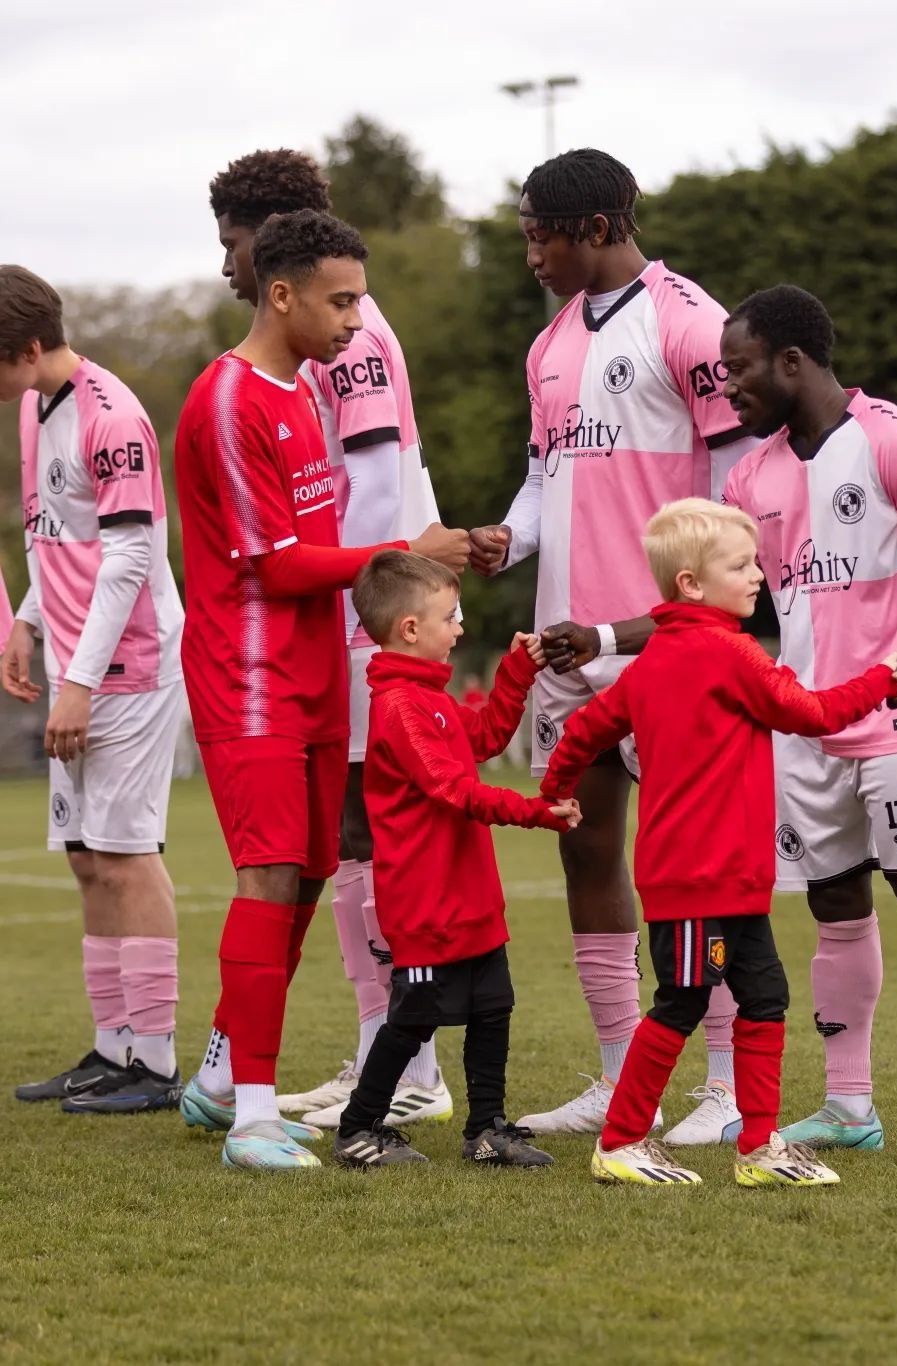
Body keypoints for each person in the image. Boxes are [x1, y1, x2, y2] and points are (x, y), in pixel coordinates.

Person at [468, 149, 758, 1144]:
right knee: (586, 849)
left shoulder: (691, 323)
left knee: (695, 872)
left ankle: (723, 1086)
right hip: (567, 646)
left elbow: (736, 485)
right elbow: (547, 476)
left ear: (594, 228)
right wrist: (512, 535)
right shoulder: (548, 345)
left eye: (539, 234)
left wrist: (707, 616)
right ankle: (611, 1070)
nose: (532, 253)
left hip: (665, 644)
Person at [173, 210, 469, 1170]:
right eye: (341, 301)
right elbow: (276, 565)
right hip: (249, 676)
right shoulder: (230, 400)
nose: (355, 320)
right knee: (269, 876)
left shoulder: (304, 394)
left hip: (311, 675)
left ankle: (226, 1083)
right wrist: (403, 554)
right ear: (284, 292)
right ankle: (252, 1114)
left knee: (303, 876)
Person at [540, 499, 897, 1185]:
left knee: (765, 996)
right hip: (696, 879)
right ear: (690, 583)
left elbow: (581, 732)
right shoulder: (729, 653)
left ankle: (758, 1147)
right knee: (683, 1000)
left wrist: (558, 792)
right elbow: (815, 714)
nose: (757, 576)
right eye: (740, 565)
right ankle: (621, 1141)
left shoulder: (655, 659)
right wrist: (888, 676)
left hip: (730, 880)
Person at [718, 285, 897, 1162]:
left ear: (793, 361)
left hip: (895, 720)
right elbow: (724, 602)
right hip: (803, 725)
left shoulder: (894, 439)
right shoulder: (750, 473)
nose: (730, 386)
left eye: (742, 368)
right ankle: (849, 1105)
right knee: (834, 906)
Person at [1, 265, 185, 1114]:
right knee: (85, 859)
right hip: (76, 658)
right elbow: (56, 540)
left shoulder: (113, 419)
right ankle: (112, 1048)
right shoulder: (36, 407)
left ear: (30, 348)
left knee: (125, 851)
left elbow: (131, 556)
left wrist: (77, 682)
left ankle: (154, 1061)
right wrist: (30, 623)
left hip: (131, 666)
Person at [331, 551, 580, 1168]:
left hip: (468, 893)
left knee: (494, 1006)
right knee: (414, 1017)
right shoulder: (399, 708)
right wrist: (535, 810)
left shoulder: (431, 700)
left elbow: (489, 736)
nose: (460, 628)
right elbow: (453, 789)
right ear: (410, 630)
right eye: (451, 616)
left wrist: (517, 674)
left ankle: (487, 1128)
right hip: (425, 903)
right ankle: (358, 1128)